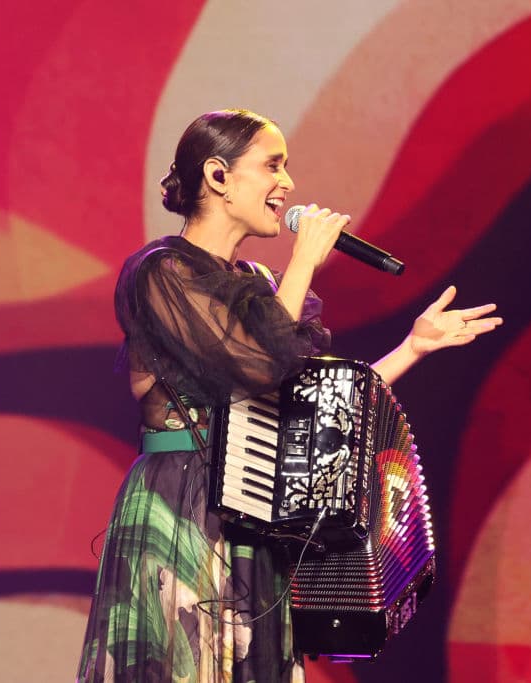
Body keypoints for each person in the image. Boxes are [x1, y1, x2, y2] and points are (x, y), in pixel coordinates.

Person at [77, 109, 502, 682]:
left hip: (254, 509)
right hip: (183, 503)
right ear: (218, 178)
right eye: (272, 166)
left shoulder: (258, 283)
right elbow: (253, 367)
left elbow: (316, 407)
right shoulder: (161, 271)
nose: (289, 184)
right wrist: (303, 264)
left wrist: (413, 349)